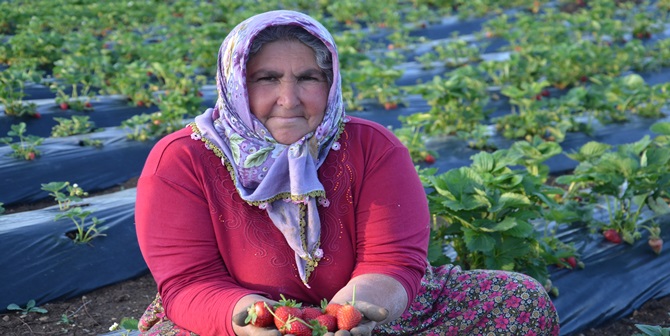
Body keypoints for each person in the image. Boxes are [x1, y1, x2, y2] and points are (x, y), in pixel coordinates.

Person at [134, 9, 560, 336]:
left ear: (331, 82)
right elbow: (190, 280)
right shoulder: (183, 160)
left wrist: (357, 314)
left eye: (308, 78)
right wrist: (248, 318)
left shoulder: (371, 147)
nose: (289, 98)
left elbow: (391, 261)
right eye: (266, 78)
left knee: (520, 301)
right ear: (235, 84)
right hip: (242, 320)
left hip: (367, 314)